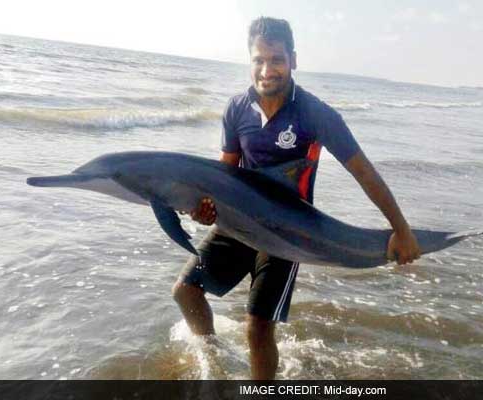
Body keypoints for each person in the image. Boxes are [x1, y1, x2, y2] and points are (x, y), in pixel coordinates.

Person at [171, 17, 421, 380]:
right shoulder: (236, 109)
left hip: (289, 234)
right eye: (259, 60)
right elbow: (222, 176)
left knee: (257, 326)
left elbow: (364, 172)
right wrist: (205, 210)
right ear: (249, 61)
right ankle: (214, 364)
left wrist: (401, 229)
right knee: (185, 292)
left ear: (293, 60)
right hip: (238, 224)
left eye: (276, 59)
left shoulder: (315, 114)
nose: (266, 70)